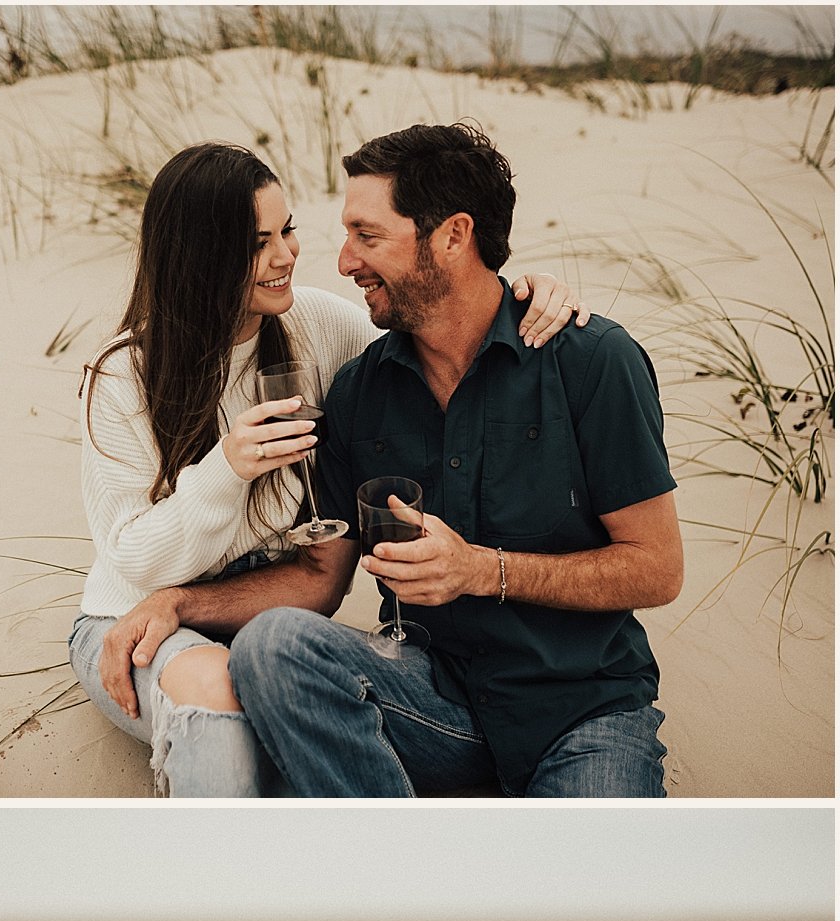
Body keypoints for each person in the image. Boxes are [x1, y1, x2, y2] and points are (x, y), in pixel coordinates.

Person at [99, 123, 685, 799]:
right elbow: (319, 582)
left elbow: (657, 567)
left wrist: (480, 570)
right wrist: (178, 600)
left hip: (582, 716)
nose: (343, 261)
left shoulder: (591, 362)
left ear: (454, 237)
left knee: (581, 902)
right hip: (429, 702)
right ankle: (394, 867)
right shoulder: (358, 387)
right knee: (273, 646)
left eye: (367, 236)